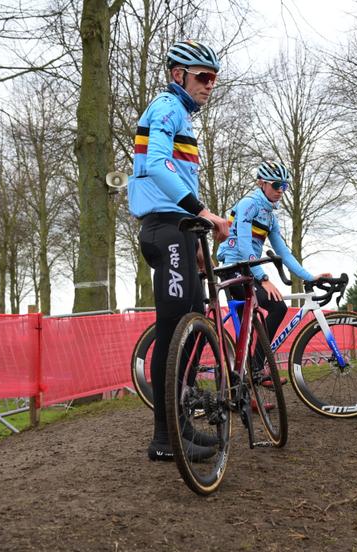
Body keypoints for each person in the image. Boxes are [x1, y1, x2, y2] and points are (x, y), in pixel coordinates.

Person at [127, 39, 230, 462]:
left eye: (214, 78)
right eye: (203, 77)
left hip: (181, 231)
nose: (210, 85)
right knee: (173, 334)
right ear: (178, 76)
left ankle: (179, 422)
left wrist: (197, 242)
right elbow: (156, 165)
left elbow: (181, 177)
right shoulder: (167, 107)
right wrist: (203, 212)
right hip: (165, 229)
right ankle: (165, 439)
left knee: (191, 325)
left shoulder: (182, 116)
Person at [216, 161, 331, 381]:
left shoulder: (270, 215)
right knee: (276, 307)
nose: (281, 190)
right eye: (276, 185)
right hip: (233, 269)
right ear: (262, 183)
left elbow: (284, 253)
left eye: (284, 186)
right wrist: (264, 278)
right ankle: (257, 369)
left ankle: (250, 376)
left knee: (258, 323)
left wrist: (309, 276)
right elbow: (243, 245)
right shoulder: (248, 204)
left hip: (247, 270)